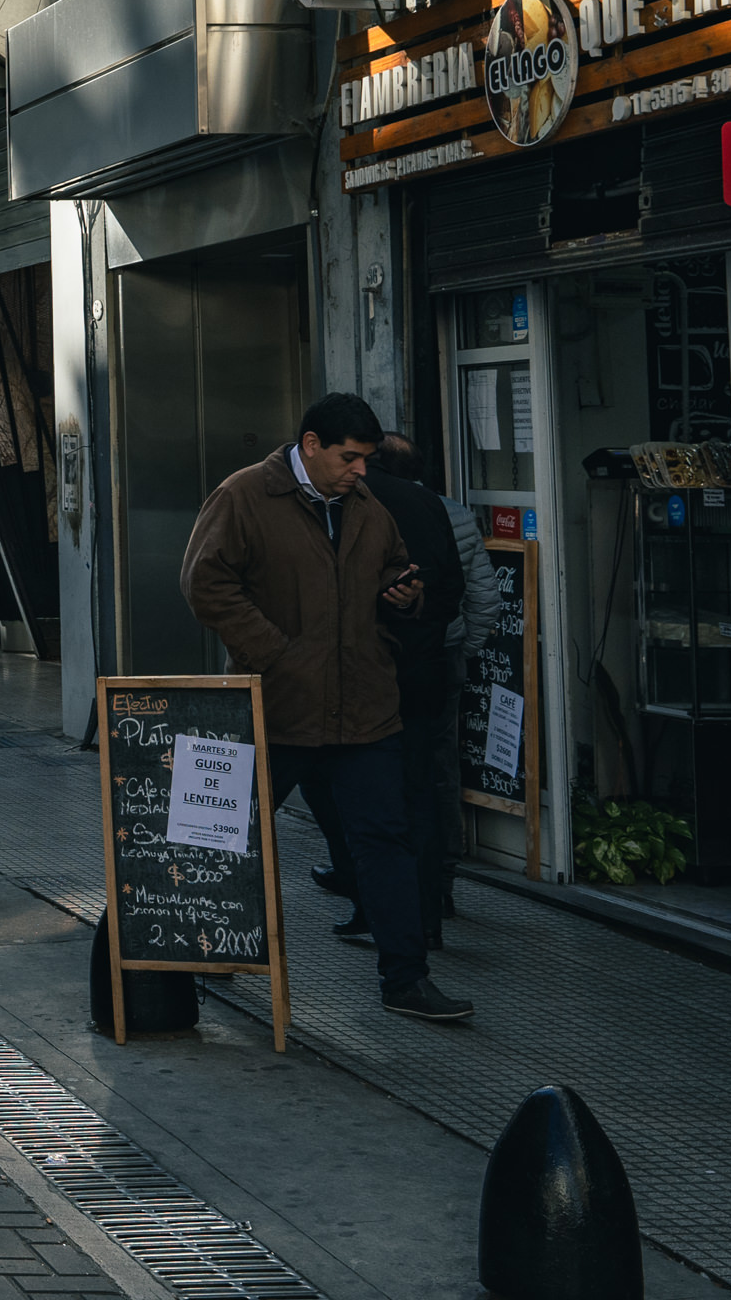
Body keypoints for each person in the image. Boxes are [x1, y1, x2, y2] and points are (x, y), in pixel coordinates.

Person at [179, 392, 470, 1024]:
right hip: (277, 706)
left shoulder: (364, 506)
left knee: (385, 839)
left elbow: (396, 570)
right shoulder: (245, 495)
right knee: (230, 837)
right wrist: (275, 651)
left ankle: (406, 978)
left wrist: (404, 595)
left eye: (365, 458)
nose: (362, 470)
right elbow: (205, 583)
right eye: (351, 457)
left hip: (364, 710)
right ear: (311, 445)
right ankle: (202, 946)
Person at [343, 433, 492, 944]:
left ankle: (375, 902)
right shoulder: (444, 508)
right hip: (433, 663)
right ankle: (434, 896)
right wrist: (452, 648)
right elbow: (472, 594)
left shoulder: (356, 506)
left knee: (370, 784)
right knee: (432, 778)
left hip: (379, 669)